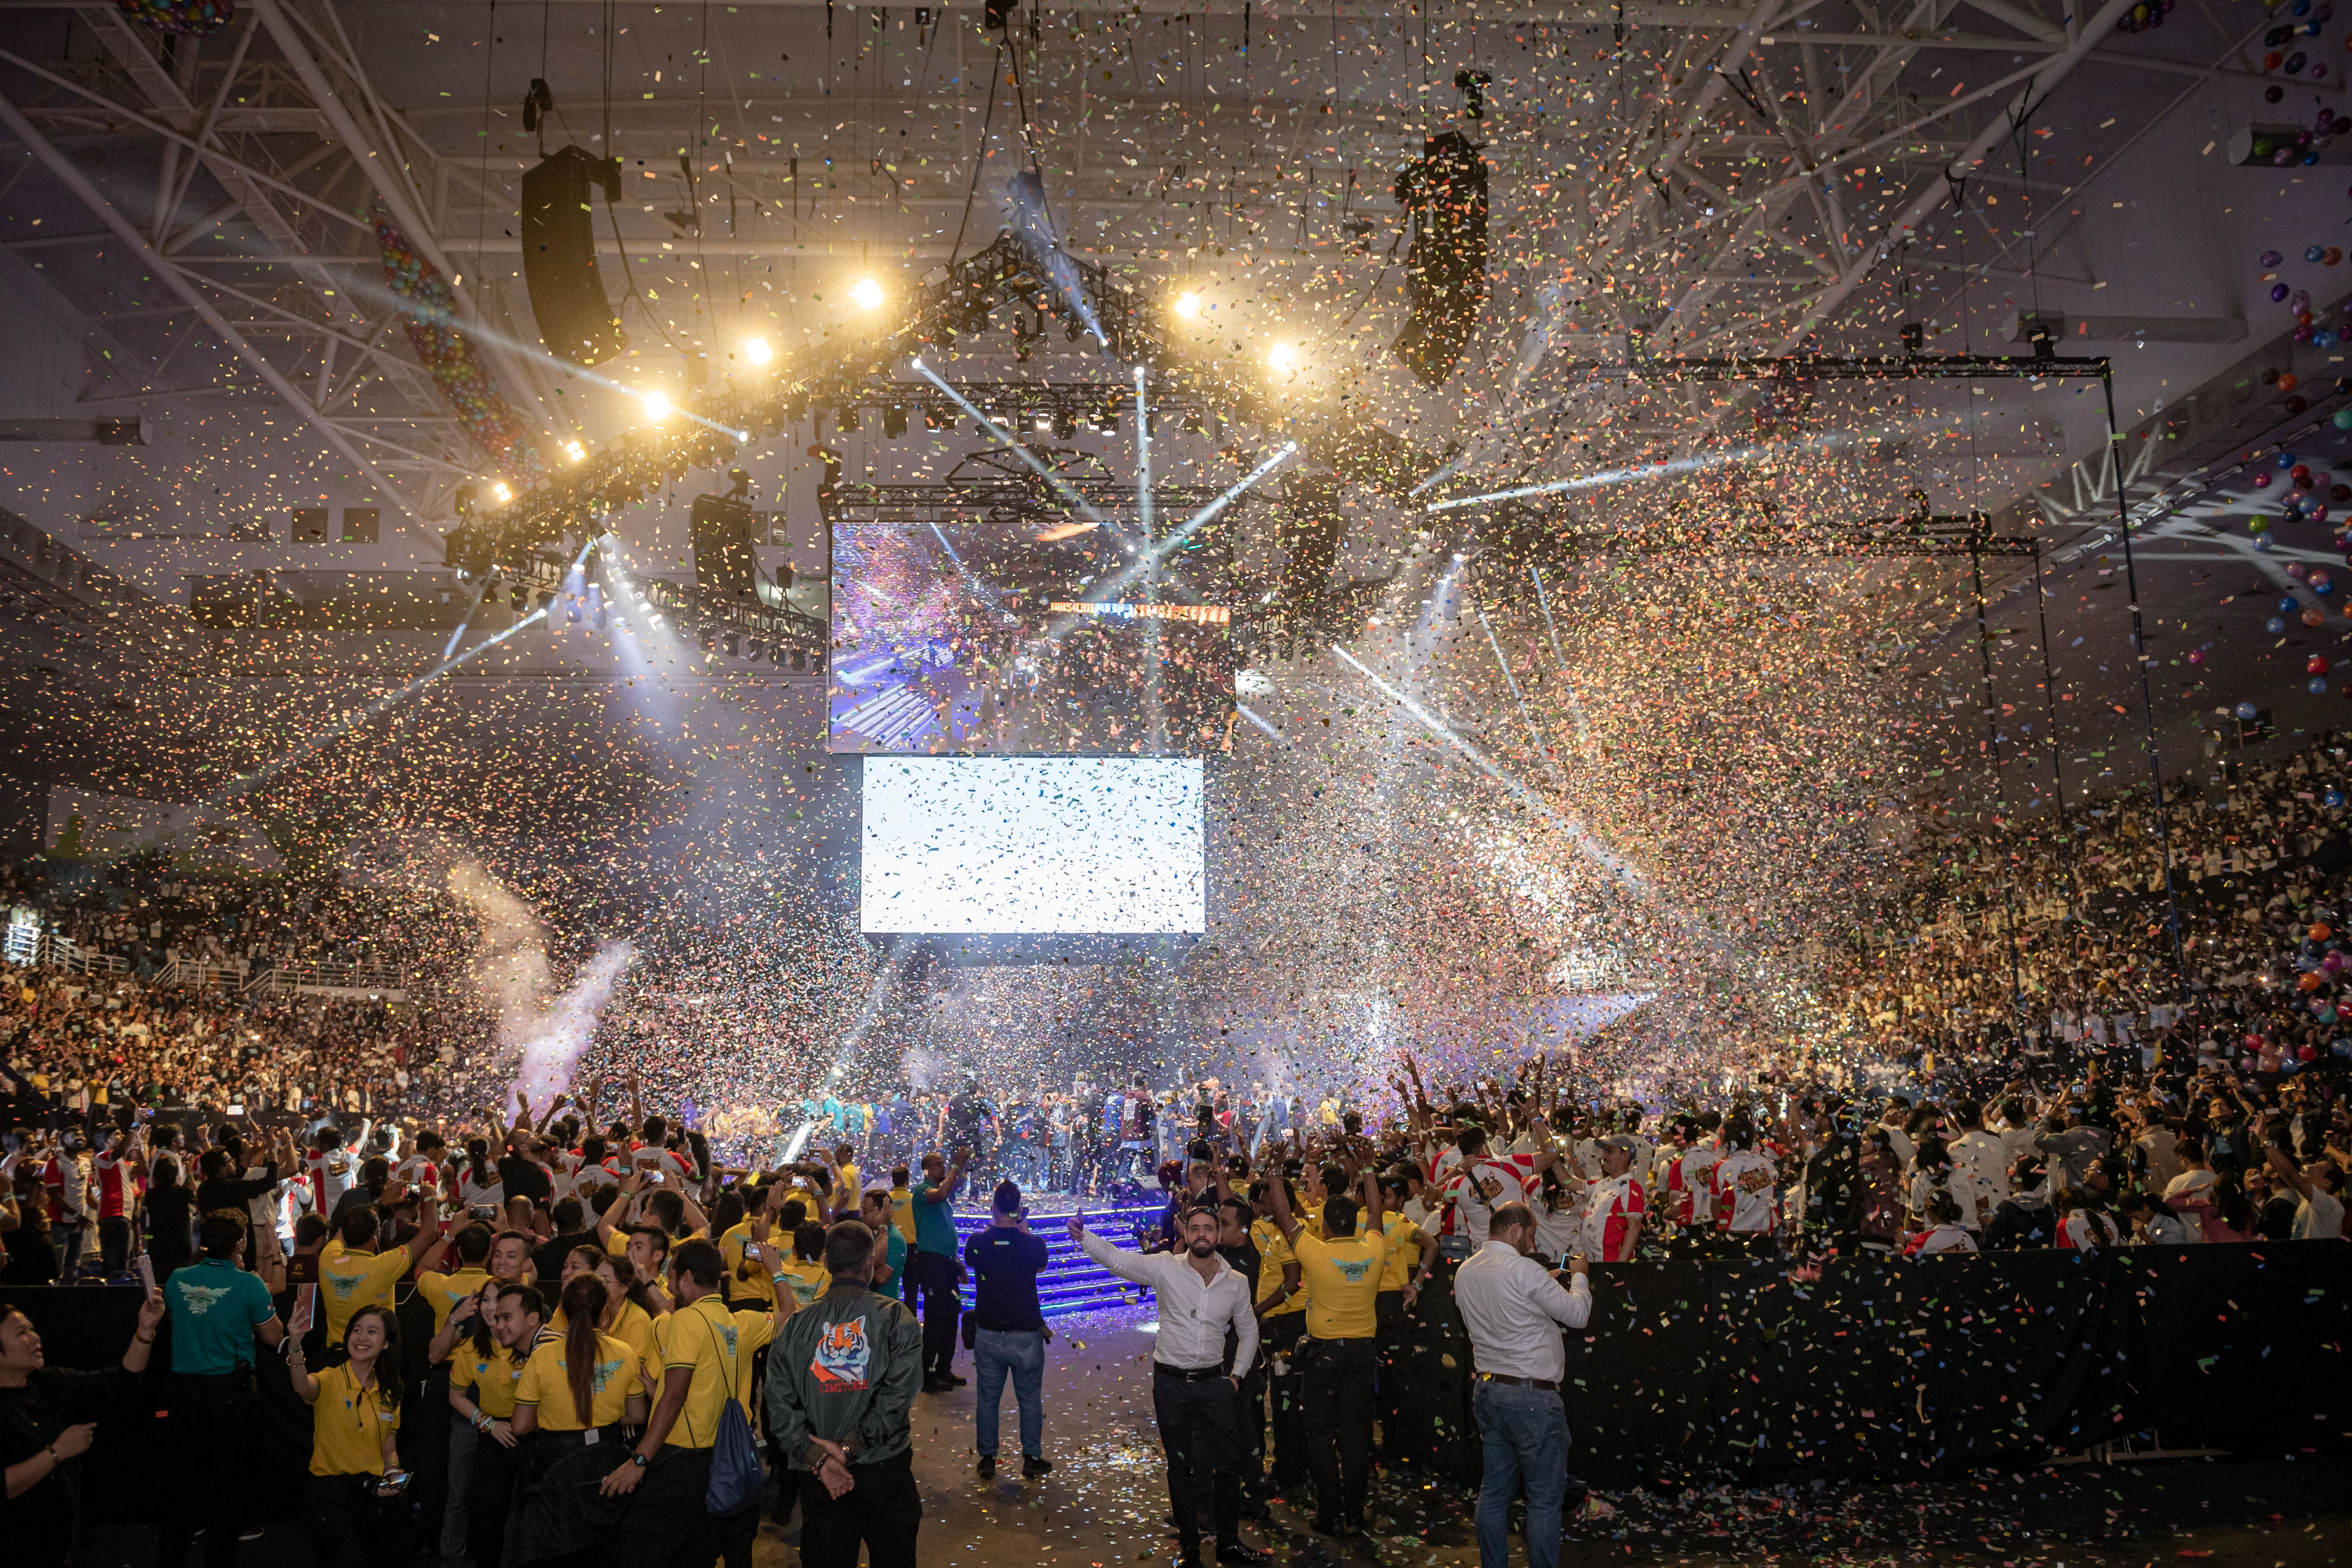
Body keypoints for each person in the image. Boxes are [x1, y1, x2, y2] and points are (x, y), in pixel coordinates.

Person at [1071, 1203, 1269, 1568]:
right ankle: (1190, 1549)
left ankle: (1228, 1542)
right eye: (1194, 1229)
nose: (1202, 1235)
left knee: (1227, 1467)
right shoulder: (1166, 1266)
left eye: (1209, 1228)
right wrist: (1085, 1238)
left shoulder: (1236, 1282)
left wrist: (1237, 1377)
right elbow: (1120, 1262)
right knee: (1181, 1468)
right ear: (1187, 1233)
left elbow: (1249, 1331)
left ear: (1219, 1234)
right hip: (1171, 1385)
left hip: (1215, 1384)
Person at [766, 1219, 926, 1568]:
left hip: (820, 1476)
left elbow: (777, 1406)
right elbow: (897, 1400)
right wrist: (850, 1446)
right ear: (870, 1264)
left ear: (826, 1262)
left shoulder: (794, 1326)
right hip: (884, 1471)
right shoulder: (897, 1318)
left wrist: (818, 1457)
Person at [611, 1237, 770, 1568]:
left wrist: (640, 1461)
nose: (669, 1288)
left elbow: (675, 1396)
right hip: (721, 1460)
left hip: (680, 1465)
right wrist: (777, 1272)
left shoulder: (685, 1321)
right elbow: (787, 1313)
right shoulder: (740, 1322)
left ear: (686, 1278)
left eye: (671, 1280)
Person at [1453, 1201, 1592, 1568]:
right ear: (1515, 1231)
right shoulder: (1522, 1269)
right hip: (1531, 1399)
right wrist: (1580, 1276)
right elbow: (1577, 1315)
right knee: (1545, 1498)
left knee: (1494, 1494)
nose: (1532, 1244)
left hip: (1489, 1393)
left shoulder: (1466, 1270)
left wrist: (1552, 1276)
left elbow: (1512, 1298)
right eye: (1530, 1236)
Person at [157, 1208, 287, 1568]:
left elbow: (174, 1323)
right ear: (241, 1241)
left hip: (183, 1392)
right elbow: (273, 1335)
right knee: (227, 1489)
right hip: (231, 1395)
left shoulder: (176, 1279)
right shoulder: (249, 1284)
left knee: (181, 1487)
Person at [0, 1290, 165, 1566]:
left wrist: (145, 1330)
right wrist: (57, 1453)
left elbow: (120, 1383)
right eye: (21, 1333)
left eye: (31, 1329)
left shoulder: (50, 1383)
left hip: (58, 1547)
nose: (35, 1338)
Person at [1266, 1161, 1386, 1538]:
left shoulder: (1315, 1252)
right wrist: (1366, 1168)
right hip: (1362, 1355)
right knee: (1355, 1435)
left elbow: (1284, 1215)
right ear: (1357, 1223)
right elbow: (1378, 1213)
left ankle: (1329, 1513)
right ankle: (1354, 1514)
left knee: (1319, 1435)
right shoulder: (1373, 1248)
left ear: (1329, 1226)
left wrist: (1274, 1173)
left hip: (1324, 1355)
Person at [511, 1272, 651, 1566]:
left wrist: (552, 1417)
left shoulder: (543, 1356)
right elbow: (637, 1415)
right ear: (606, 1312)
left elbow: (521, 1426)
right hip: (608, 1467)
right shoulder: (626, 1354)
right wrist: (606, 1415)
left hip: (555, 1469)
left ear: (563, 1311)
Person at [287, 1301, 409, 1568]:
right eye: (357, 1330)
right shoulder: (330, 1379)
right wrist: (295, 1347)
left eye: (372, 1332)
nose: (362, 1338)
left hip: (374, 1492)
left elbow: (390, 1448)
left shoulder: (390, 1391)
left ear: (387, 1343)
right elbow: (303, 1387)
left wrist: (393, 1474)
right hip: (331, 1494)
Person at [448, 1282, 549, 1568]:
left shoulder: (539, 1346)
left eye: (506, 1313)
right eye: (489, 1304)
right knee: (489, 1514)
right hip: (492, 1435)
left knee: (532, 1512)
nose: (495, 1314)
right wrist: (488, 1423)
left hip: (534, 1436)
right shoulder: (471, 1348)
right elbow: (455, 1395)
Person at [964, 1180, 1052, 1478]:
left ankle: (988, 1458)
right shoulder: (1033, 1244)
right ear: (1019, 1210)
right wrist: (1022, 1230)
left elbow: (973, 1259)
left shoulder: (977, 1243)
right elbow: (1040, 1266)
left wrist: (998, 1230)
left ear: (993, 1208)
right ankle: (1031, 1457)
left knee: (988, 1399)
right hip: (1025, 1333)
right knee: (1029, 1399)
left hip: (989, 1331)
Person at [907, 1145, 972, 1391]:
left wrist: (957, 1264)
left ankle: (944, 1369)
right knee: (935, 1319)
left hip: (946, 1263)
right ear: (926, 1171)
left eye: (945, 1163)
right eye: (939, 1164)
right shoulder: (923, 1192)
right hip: (932, 1264)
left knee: (950, 1316)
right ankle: (928, 1373)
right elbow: (942, 1193)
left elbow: (944, 1234)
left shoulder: (943, 1201)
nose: (943, 1167)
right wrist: (956, 1165)